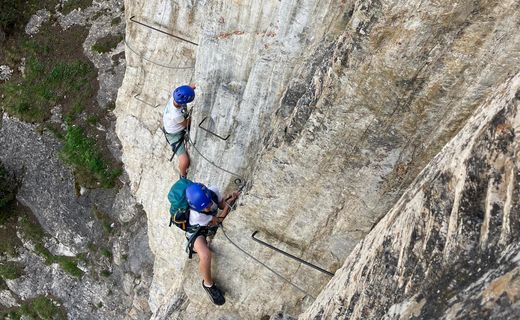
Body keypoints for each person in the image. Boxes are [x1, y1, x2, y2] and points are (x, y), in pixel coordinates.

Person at [185, 182, 240, 305]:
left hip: (208, 227)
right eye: (204, 208)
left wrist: (230, 197)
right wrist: (230, 203)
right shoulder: (197, 215)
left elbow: (220, 205)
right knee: (205, 255)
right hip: (197, 233)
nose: (208, 209)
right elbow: (219, 219)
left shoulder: (213, 191)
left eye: (209, 204)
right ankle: (208, 285)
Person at [163, 84, 196, 178]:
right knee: (185, 161)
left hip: (173, 125)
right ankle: (182, 175)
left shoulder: (175, 97)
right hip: (173, 135)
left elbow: (183, 91)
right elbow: (186, 124)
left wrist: (190, 88)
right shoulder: (175, 115)